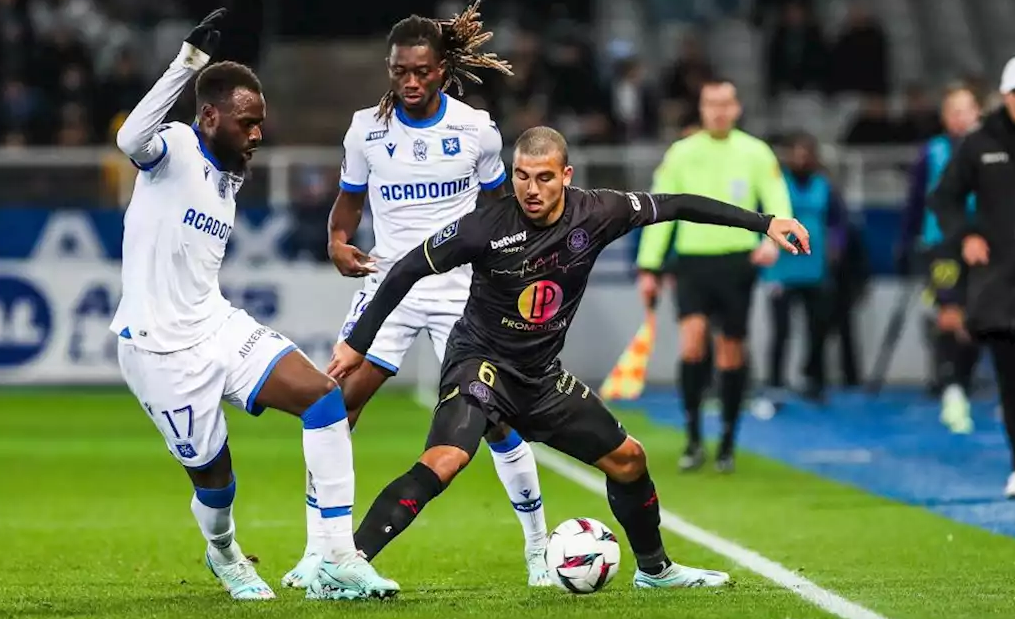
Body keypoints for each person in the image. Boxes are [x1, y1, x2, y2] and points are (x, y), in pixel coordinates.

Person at [328, 126, 809, 588]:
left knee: (629, 459)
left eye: (543, 177)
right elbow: (405, 269)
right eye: (521, 176)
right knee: (447, 459)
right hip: (481, 364)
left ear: (566, 175)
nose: (530, 189)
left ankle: (655, 571)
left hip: (540, 377)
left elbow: (677, 205)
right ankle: (348, 562)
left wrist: (764, 223)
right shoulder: (485, 226)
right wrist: (358, 343)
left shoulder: (599, 212)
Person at [109, 9, 399, 601]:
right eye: (247, 122)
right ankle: (225, 554)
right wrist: (187, 65)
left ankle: (336, 555)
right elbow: (128, 139)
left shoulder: (229, 172)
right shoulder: (176, 148)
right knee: (216, 485)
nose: (258, 134)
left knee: (324, 399)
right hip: (158, 351)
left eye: (261, 123)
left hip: (215, 325)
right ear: (209, 115)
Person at [286, 0, 554, 590]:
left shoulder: (476, 130)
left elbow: (495, 212)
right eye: (399, 71)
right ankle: (319, 550)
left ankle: (538, 549)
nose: (410, 81)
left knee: (498, 420)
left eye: (421, 71)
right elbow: (350, 200)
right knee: (332, 405)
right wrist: (336, 239)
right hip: (390, 287)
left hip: (464, 293)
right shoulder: (366, 130)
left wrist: (507, 273)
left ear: (443, 69)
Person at [636, 79, 793, 473]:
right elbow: (659, 209)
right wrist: (649, 265)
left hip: (737, 262)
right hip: (691, 262)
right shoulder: (682, 153)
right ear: (702, 108)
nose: (719, 111)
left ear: (737, 108)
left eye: (725, 104)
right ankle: (692, 437)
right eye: (711, 104)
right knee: (692, 345)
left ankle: (726, 439)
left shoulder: (755, 152)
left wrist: (773, 241)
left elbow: (776, 198)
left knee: (730, 351)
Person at [929, 55, 1015, 500]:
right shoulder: (978, 143)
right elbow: (945, 198)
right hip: (997, 277)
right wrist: (965, 235)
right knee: (1008, 370)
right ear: (1005, 95)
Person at [898, 84, 983, 433]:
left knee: (977, 321)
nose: (960, 117)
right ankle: (952, 388)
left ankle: (960, 381)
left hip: (984, 244)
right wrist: (906, 243)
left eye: (966, 110)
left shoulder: (991, 151)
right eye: (954, 110)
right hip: (941, 245)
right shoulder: (931, 153)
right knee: (949, 314)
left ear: (978, 114)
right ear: (945, 117)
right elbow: (916, 201)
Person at [763, 132, 848, 403]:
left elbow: (839, 221)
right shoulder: (777, 185)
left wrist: (836, 246)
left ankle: (815, 381)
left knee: (818, 330)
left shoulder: (825, 185)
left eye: (806, 153)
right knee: (781, 331)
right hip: (782, 268)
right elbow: (761, 218)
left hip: (815, 268)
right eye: (796, 152)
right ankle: (775, 383)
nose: (801, 158)